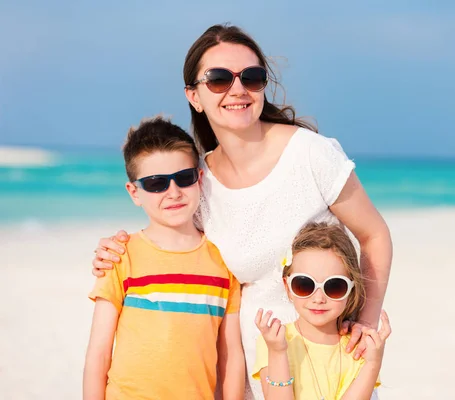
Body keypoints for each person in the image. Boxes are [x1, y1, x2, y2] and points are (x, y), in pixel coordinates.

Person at [91, 24, 393, 399]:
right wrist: (116, 248)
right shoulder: (199, 182)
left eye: (251, 77)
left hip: (330, 374)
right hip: (251, 378)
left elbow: (374, 234)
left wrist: (365, 321)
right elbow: (173, 242)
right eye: (218, 79)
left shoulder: (311, 154)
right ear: (194, 96)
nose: (237, 89)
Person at [83, 117, 245, 399]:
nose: (173, 192)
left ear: (199, 178)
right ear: (135, 192)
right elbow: (98, 355)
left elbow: (230, 357)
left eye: (184, 178)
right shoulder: (121, 257)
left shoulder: (223, 262)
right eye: (156, 183)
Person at [254, 222, 391, 400]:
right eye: (304, 285)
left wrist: (373, 363)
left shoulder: (358, 347)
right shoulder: (274, 341)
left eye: (334, 286)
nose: (318, 298)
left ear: (351, 290)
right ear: (288, 287)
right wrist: (278, 352)